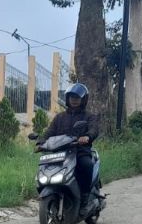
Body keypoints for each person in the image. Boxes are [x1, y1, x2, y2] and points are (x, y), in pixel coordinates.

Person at [39, 82, 100, 216]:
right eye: (72, 97)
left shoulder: (89, 116)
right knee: (45, 166)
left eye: (77, 97)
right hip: (60, 152)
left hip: (80, 151)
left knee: (86, 164)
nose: (74, 100)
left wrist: (87, 136)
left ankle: (85, 199)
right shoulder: (60, 117)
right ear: (67, 99)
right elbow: (50, 132)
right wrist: (41, 142)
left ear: (83, 99)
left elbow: (94, 129)